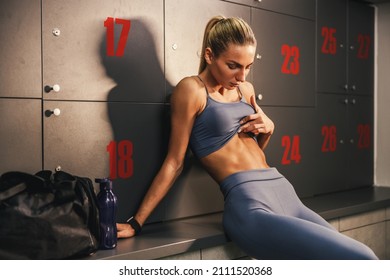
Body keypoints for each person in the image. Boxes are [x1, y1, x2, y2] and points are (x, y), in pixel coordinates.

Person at [117, 16, 378, 260]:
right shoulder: (192, 90)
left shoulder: (246, 89)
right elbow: (175, 162)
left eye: (248, 67)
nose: (241, 76)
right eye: (233, 66)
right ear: (209, 55)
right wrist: (136, 222)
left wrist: (268, 129)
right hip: (250, 204)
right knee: (363, 258)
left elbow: (254, 151)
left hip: (285, 193)